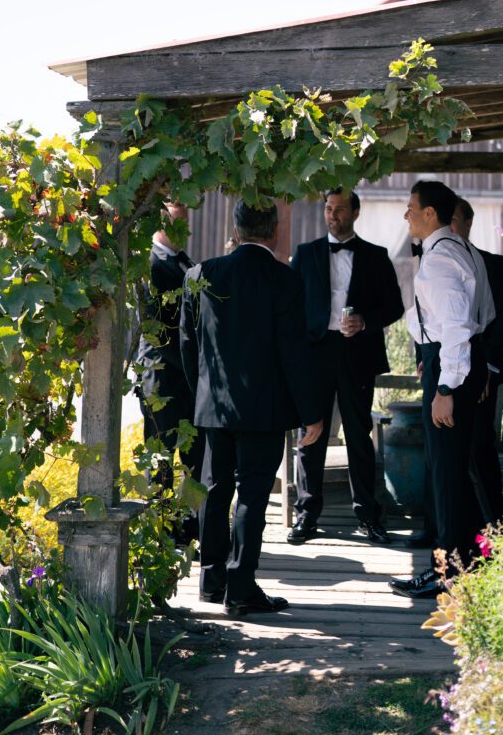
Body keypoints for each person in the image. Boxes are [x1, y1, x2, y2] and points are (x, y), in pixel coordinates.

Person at [180, 200, 323, 616]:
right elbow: (294, 353)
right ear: (274, 231)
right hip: (264, 409)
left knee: (214, 490)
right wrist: (311, 413)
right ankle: (240, 588)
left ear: (236, 230)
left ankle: (211, 581)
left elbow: (188, 344)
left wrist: (201, 394)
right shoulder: (285, 280)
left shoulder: (199, 274)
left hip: (213, 406)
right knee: (252, 495)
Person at [390, 180, 494, 599]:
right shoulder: (465, 250)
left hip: (450, 368)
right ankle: (465, 565)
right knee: (453, 468)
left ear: (430, 213)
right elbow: (482, 317)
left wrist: (447, 384)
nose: (406, 215)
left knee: (447, 471)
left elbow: (456, 326)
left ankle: (448, 572)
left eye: (411, 207)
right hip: (458, 361)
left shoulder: (439, 260)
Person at [287, 188, 404, 546]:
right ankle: (307, 515)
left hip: (357, 354)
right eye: (328, 208)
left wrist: (365, 321)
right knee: (312, 433)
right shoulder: (305, 254)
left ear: (355, 213)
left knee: (358, 434)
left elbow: (395, 306)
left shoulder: (376, 256)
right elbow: (291, 305)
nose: (332, 215)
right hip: (316, 353)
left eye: (339, 209)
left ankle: (368, 516)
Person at [134, 203, 203, 541]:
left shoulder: (186, 262)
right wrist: (195, 365)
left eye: (186, 223)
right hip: (161, 377)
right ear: (160, 223)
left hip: (188, 379)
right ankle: (161, 534)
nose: (184, 229)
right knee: (161, 460)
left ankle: (190, 527)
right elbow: (157, 330)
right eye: (178, 222)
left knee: (194, 457)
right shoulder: (149, 265)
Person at [451, 198, 503, 526]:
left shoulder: (493, 264)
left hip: (483, 374)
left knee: (479, 447)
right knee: (445, 454)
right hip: (444, 373)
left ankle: (494, 524)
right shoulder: (434, 261)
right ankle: (445, 527)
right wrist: (423, 358)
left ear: (468, 224)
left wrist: (488, 368)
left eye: (453, 220)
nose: (448, 228)